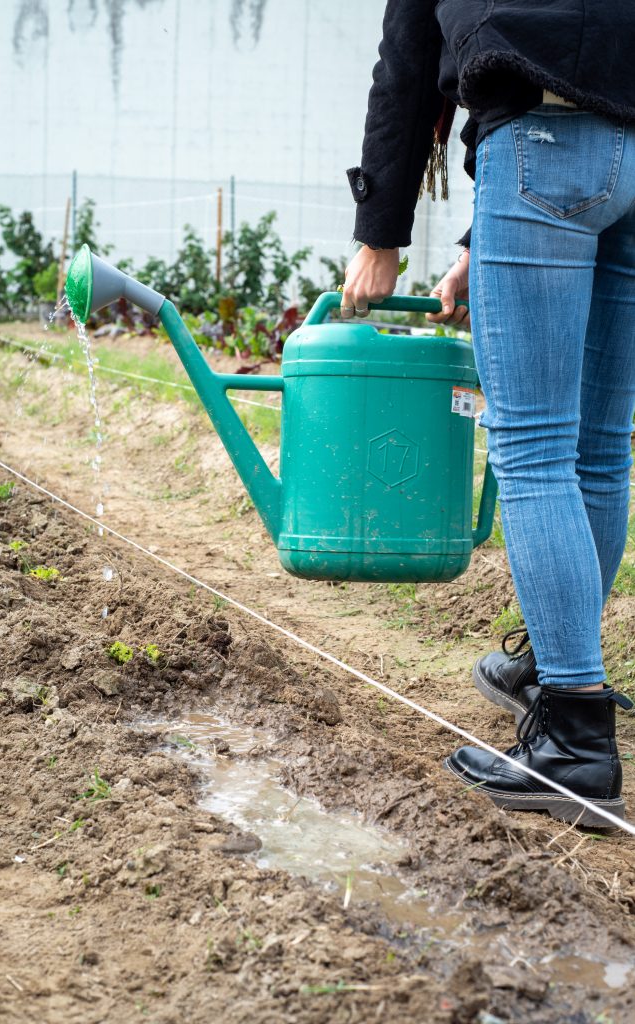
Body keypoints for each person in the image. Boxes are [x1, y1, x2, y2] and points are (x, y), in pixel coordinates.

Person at [343, 0, 635, 826]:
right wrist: (483, 237)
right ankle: (551, 669)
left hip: (542, 140)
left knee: (534, 449)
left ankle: (574, 738)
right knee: (599, 449)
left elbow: (406, 62)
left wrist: (379, 232)